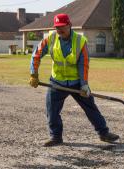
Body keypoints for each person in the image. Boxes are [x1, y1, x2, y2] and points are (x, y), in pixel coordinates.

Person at [29, 13, 119, 147]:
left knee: (91, 108)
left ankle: (104, 133)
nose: (59, 30)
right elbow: (36, 55)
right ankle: (56, 137)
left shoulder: (79, 41)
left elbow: (83, 64)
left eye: (62, 27)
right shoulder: (51, 39)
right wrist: (34, 74)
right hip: (57, 82)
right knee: (51, 110)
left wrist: (84, 85)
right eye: (57, 27)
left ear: (69, 25)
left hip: (76, 83)